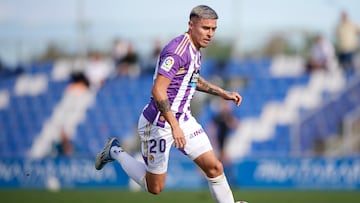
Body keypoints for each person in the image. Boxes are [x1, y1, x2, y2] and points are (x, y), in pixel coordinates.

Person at [95, 5, 246, 203]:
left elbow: (191, 79)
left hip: (183, 118)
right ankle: (115, 151)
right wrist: (174, 126)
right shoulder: (177, 51)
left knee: (215, 167)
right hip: (159, 123)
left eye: (213, 29)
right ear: (191, 25)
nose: (210, 34)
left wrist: (221, 92)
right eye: (205, 28)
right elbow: (158, 90)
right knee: (154, 187)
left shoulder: (196, 49)